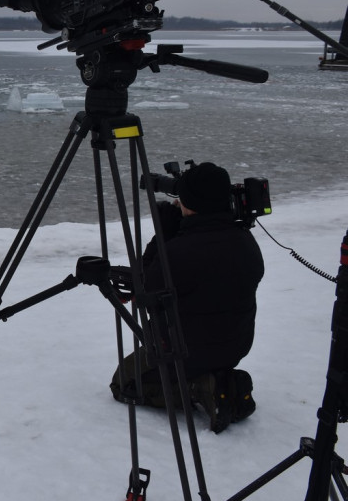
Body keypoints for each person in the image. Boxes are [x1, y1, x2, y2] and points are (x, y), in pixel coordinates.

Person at [111, 162, 265, 430]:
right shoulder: (246, 242)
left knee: (124, 382)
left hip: (184, 353)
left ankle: (200, 387)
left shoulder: (178, 251)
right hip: (235, 346)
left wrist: (163, 234)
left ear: (189, 203)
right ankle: (219, 378)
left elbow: (143, 287)